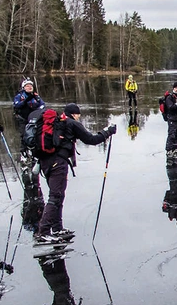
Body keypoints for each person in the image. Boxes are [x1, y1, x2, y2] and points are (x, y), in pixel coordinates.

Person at [34, 103, 117, 243]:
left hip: (45, 163)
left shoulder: (57, 123)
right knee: (55, 197)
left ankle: (57, 228)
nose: (79, 117)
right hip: (58, 164)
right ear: (74, 114)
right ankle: (43, 232)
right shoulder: (71, 123)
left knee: (58, 196)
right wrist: (108, 132)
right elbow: (91, 139)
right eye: (78, 114)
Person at [13, 79, 46, 144]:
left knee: (35, 136)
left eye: (31, 86)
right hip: (23, 119)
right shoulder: (19, 96)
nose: (30, 87)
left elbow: (42, 104)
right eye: (27, 86)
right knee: (24, 136)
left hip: (34, 119)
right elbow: (17, 105)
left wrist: (38, 110)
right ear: (23, 87)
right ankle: (24, 150)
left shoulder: (36, 96)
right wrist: (25, 101)